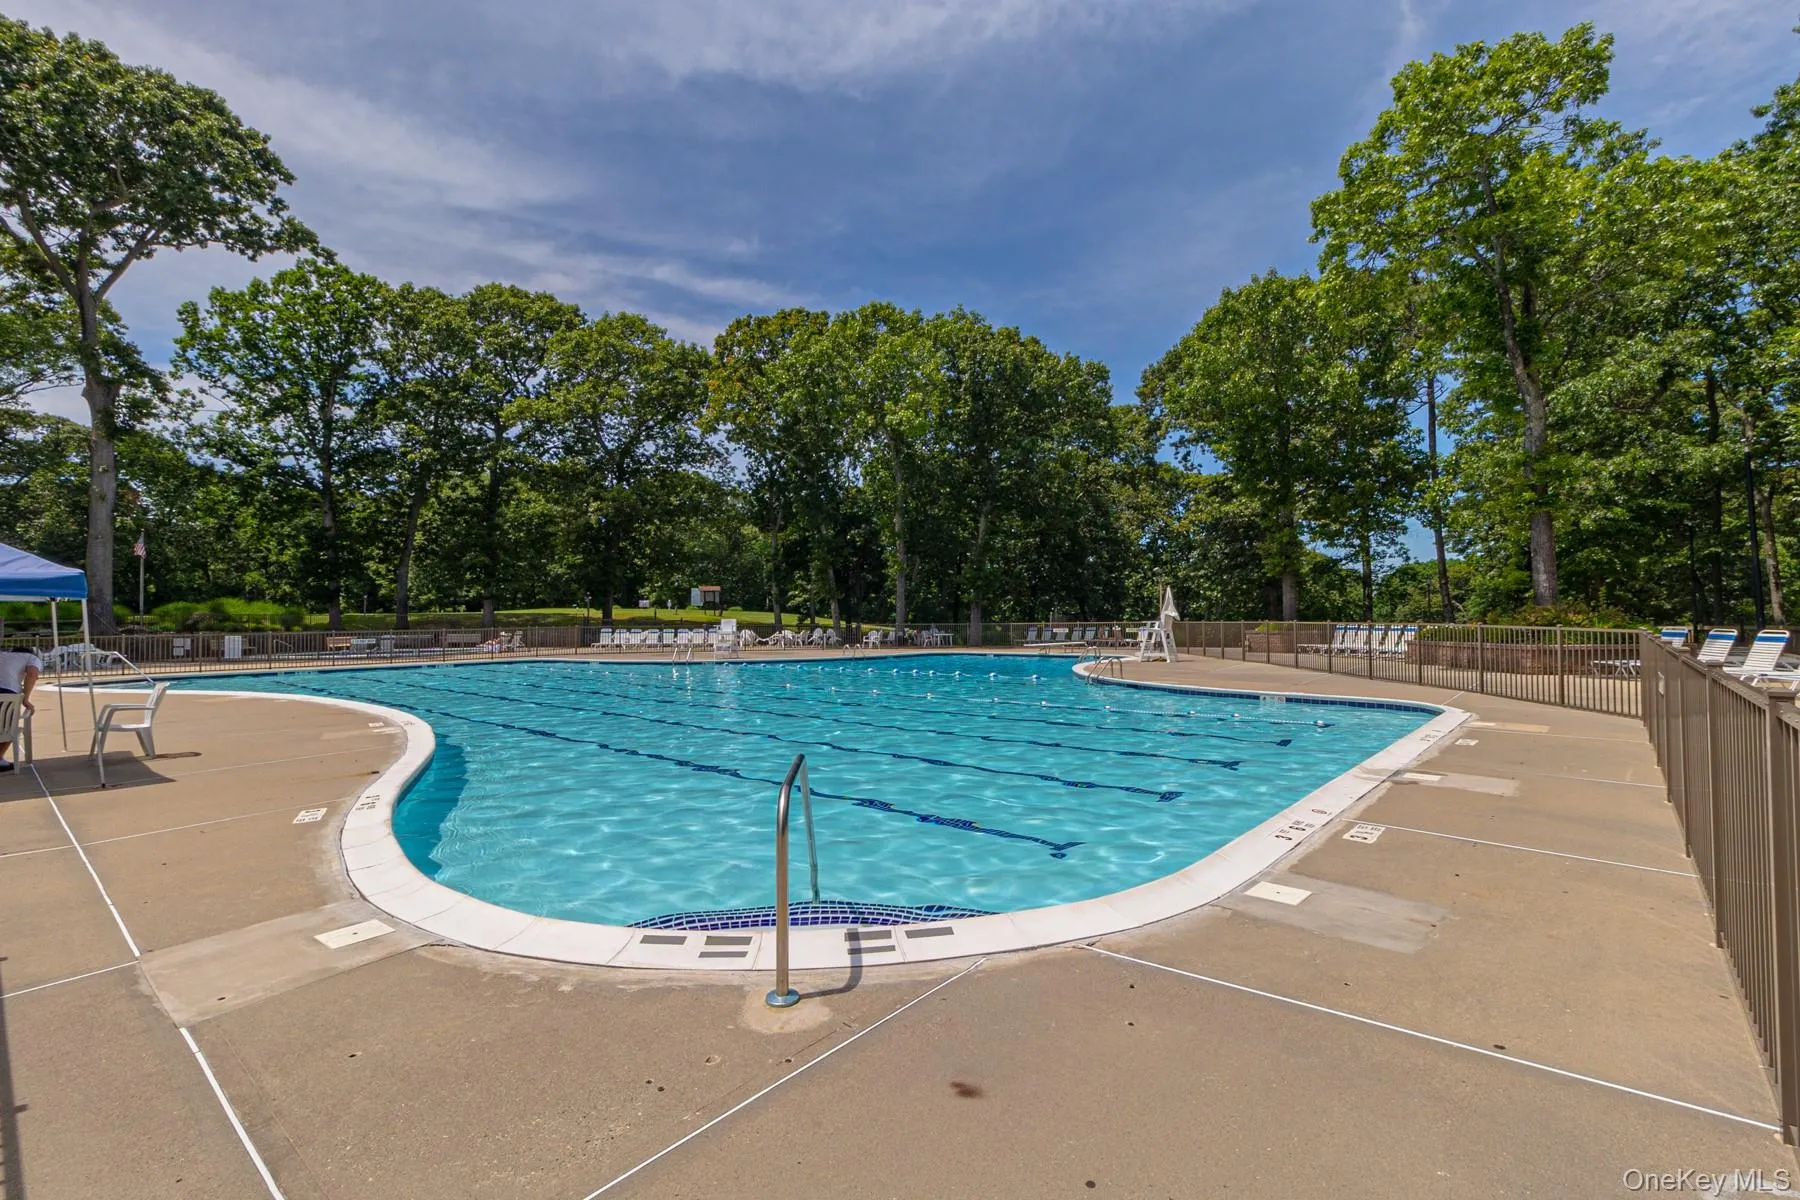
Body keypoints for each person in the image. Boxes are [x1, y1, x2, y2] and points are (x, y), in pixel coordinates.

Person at [0, 646, 41, 771]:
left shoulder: (3, 655)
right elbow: (32, 673)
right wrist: (25, 698)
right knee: (9, 727)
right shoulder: (32, 658)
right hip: (8, 694)